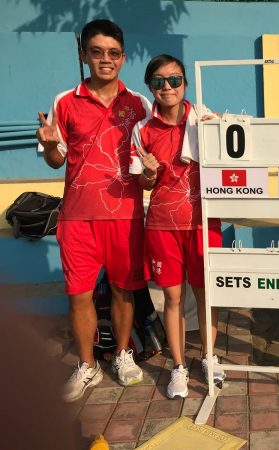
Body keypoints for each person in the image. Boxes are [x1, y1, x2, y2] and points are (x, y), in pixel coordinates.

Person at [36, 19, 152, 402]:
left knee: (123, 290)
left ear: (123, 57)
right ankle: (87, 366)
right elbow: (56, 161)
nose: (106, 59)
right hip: (77, 217)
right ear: (84, 55)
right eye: (97, 52)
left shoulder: (139, 104)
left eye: (113, 53)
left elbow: (148, 164)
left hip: (126, 215)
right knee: (79, 295)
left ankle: (122, 354)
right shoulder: (65, 102)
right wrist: (50, 146)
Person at [129, 54, 225, 399]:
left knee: (207, 295)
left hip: (204, 222)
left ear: (185, 82)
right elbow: (144, 183)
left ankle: (210, 358)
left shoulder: (206, 119)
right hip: (163, 225)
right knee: (173, 298)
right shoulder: (142, 129)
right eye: (159, 81)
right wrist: (150, 172)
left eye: (174, 80)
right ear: (149, 86)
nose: (167, 87)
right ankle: (180, 367)